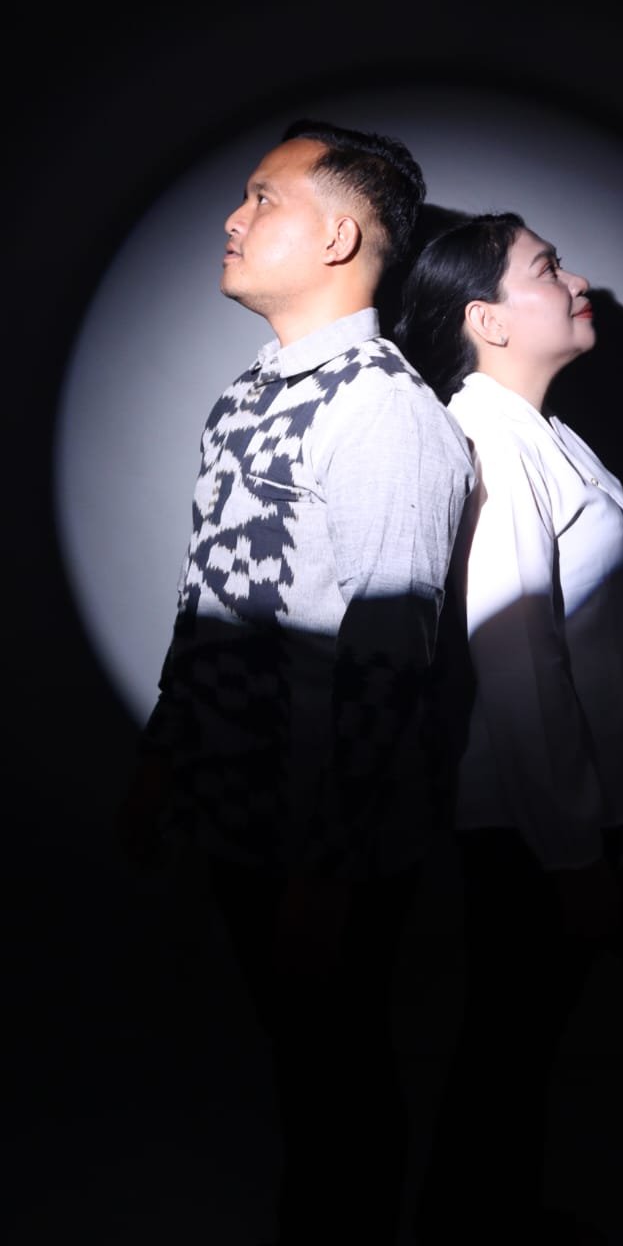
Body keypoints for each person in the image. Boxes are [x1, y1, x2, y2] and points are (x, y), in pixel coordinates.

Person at [114, 119, 476, 1246]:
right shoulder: (244, 396)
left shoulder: (385, 413)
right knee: (301, 1078)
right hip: (237, 819)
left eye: (262, 198)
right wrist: (163, 757)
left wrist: (329, 870)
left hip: (326, 841)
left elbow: (392, 661)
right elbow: (209, 599)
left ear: (338, 237)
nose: (232, 219)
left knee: (340, 1090)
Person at [394, 212, 623, 1245]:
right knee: (506, 1049)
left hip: (554, 819)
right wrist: (572, 854)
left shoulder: (537, 432)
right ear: (488, 321)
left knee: (517, 1050)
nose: (576, 279)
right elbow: (519, 671)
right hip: (530, 827)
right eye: (547, 268)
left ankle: (493, 1217)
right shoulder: (496, 447)